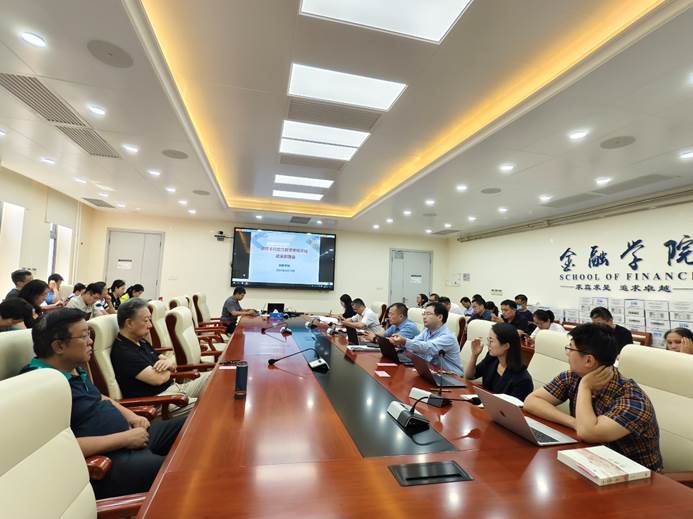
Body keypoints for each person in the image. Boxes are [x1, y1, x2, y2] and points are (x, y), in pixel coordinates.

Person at [20, 308, 186, 499]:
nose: (91, 341)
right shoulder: (39, 385)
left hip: (129, 437)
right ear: (59, 346)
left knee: (189, 426)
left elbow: (99, 398)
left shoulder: (71, 368)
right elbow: (55, 447)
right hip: (106, 461)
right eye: (84, 336)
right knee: (180, 470)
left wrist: (132, 416)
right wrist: (125, 438)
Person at [524, 323, 662, 471]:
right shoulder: (573, 376)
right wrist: (574, 422)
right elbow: (531, 401)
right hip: (591, 460)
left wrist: (585, 387)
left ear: (588, 360)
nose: (567, 354)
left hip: (635, 475)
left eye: (570, 348)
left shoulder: (633, 400)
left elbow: (588, 433)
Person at [111, 298, 211, 403]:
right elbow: (158, 379)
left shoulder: (140, 341)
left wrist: (168, 363)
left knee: (215, 376)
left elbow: (170, 363)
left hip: (175, 388)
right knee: (208, 405)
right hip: (160, 401)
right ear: (129, 323)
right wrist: (169, 367)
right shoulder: (123, 352)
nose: (150, 325)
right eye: (146, 320)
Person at [464, 322, 534, 401]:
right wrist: (474, 355)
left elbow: (513, 407)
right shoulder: (492, 359)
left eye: (491, 341)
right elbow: (469, 376)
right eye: (488, 340)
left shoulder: (523, 380)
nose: (488, 344)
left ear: (506, 346)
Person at [389, 302, 462, 375]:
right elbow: (413, 344)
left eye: (428, 314)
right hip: (432, 371)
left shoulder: (448, 337)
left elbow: (428, 348)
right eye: (424, 314)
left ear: (440, 317)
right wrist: (401, 342)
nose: (424, 317)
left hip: (452, 376)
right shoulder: (427, 331)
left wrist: (405, 341)